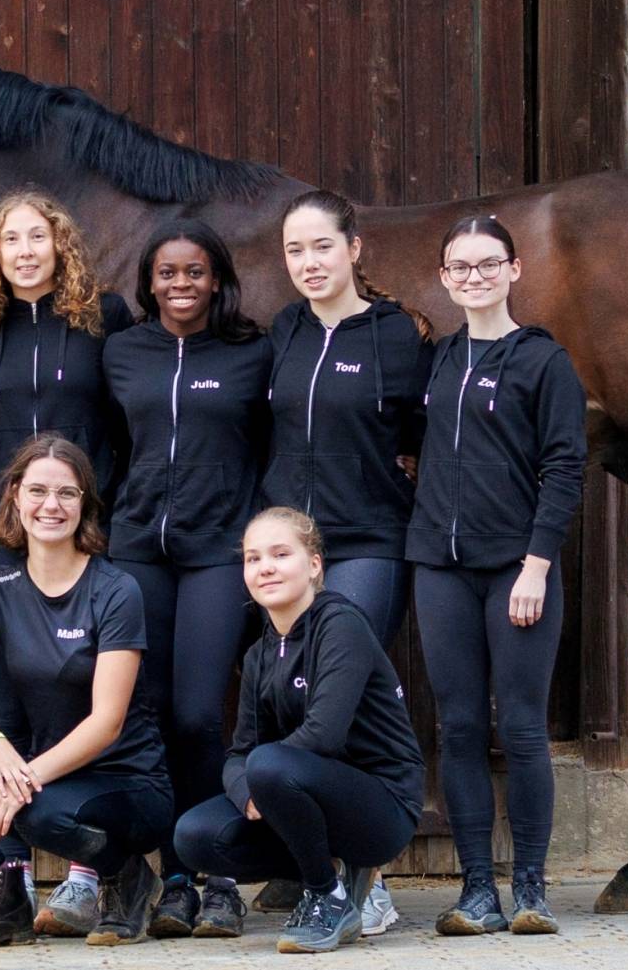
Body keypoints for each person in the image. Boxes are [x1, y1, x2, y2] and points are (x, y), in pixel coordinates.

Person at [0, 436, 171, 951]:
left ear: (85, 504)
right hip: (41, 776)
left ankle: (128, 876)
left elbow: (107, 722)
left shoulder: (115, 591)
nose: (52, 505)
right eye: (38, 491)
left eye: (67, 493)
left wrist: (22, 780)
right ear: (16, 497)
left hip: (124, 782)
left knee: (37, 813)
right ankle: (6, 898)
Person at [0, 191, 133, 934]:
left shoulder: (104, 318)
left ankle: (87, 873)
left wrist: (105, 501)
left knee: (75, 687)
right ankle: (13, 878)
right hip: (1, 530)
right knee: (3, 694)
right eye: (10, 240)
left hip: (81, 524)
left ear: (61, 245)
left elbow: (128, 418)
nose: (24, 251)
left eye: (37, 237)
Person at [407, 215, 587, 936]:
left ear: (514, 270)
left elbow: (565, 469)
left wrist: (536, 566)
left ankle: (532, 888)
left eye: (488, 264)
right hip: (440, 568)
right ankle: (477, 888)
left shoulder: (545, 362)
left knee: (520, 726)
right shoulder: (438, 359)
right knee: (456, 727)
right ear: (445, 278)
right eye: (461, 266)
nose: (474, 277)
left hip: (517, 569)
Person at [260, 188, 432, 933]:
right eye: (295, 250)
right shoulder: (284, 331)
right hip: (289, 548)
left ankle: (371, 878)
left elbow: (428, 431)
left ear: (354, 248)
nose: (309, 262)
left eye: (322, 246)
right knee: (290, 694)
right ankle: (313, 865)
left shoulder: (399, 335)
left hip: (368, 538)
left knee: (346, 694)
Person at [99, 221, 270, 938]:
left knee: (199, 714)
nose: (180, 284)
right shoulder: (122, 352)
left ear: (217, 278)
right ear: (149, 282)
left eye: (194, 271)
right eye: (167, 273)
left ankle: (220, 874)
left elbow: (274, 441)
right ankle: (174, 879)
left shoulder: (250, 351)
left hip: (217, 551)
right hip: (139, 547)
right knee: (151, 712)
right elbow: (110, 442)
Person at [173, 508, 424, 954]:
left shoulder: (341, 624)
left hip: (382, 807)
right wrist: (249, 795)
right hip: (303, 798)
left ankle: (327, 897)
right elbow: (239, 753)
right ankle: (334, 876)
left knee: (269, 764)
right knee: (194, 836)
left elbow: (323, 736)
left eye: (280, 554)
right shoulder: (258, 655)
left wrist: (265, 778)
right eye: (253, 558)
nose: (265, 567)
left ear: (314, 565)